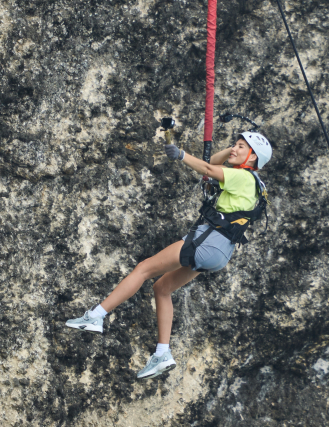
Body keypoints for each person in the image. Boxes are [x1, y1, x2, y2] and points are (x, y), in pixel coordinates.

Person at [66, 131, 272, 379]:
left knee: (143, 269)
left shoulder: (242, 177)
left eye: (241, 147)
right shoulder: (254, 183)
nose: (234, 149)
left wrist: (183, 155)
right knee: (162, 288)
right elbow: (214, 166)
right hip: (220, 253)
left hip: (206, 241)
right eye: (234, 145)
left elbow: (207, 167)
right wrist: (232, 151)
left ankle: (96, 316)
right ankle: (162, 353)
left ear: (252, 159)